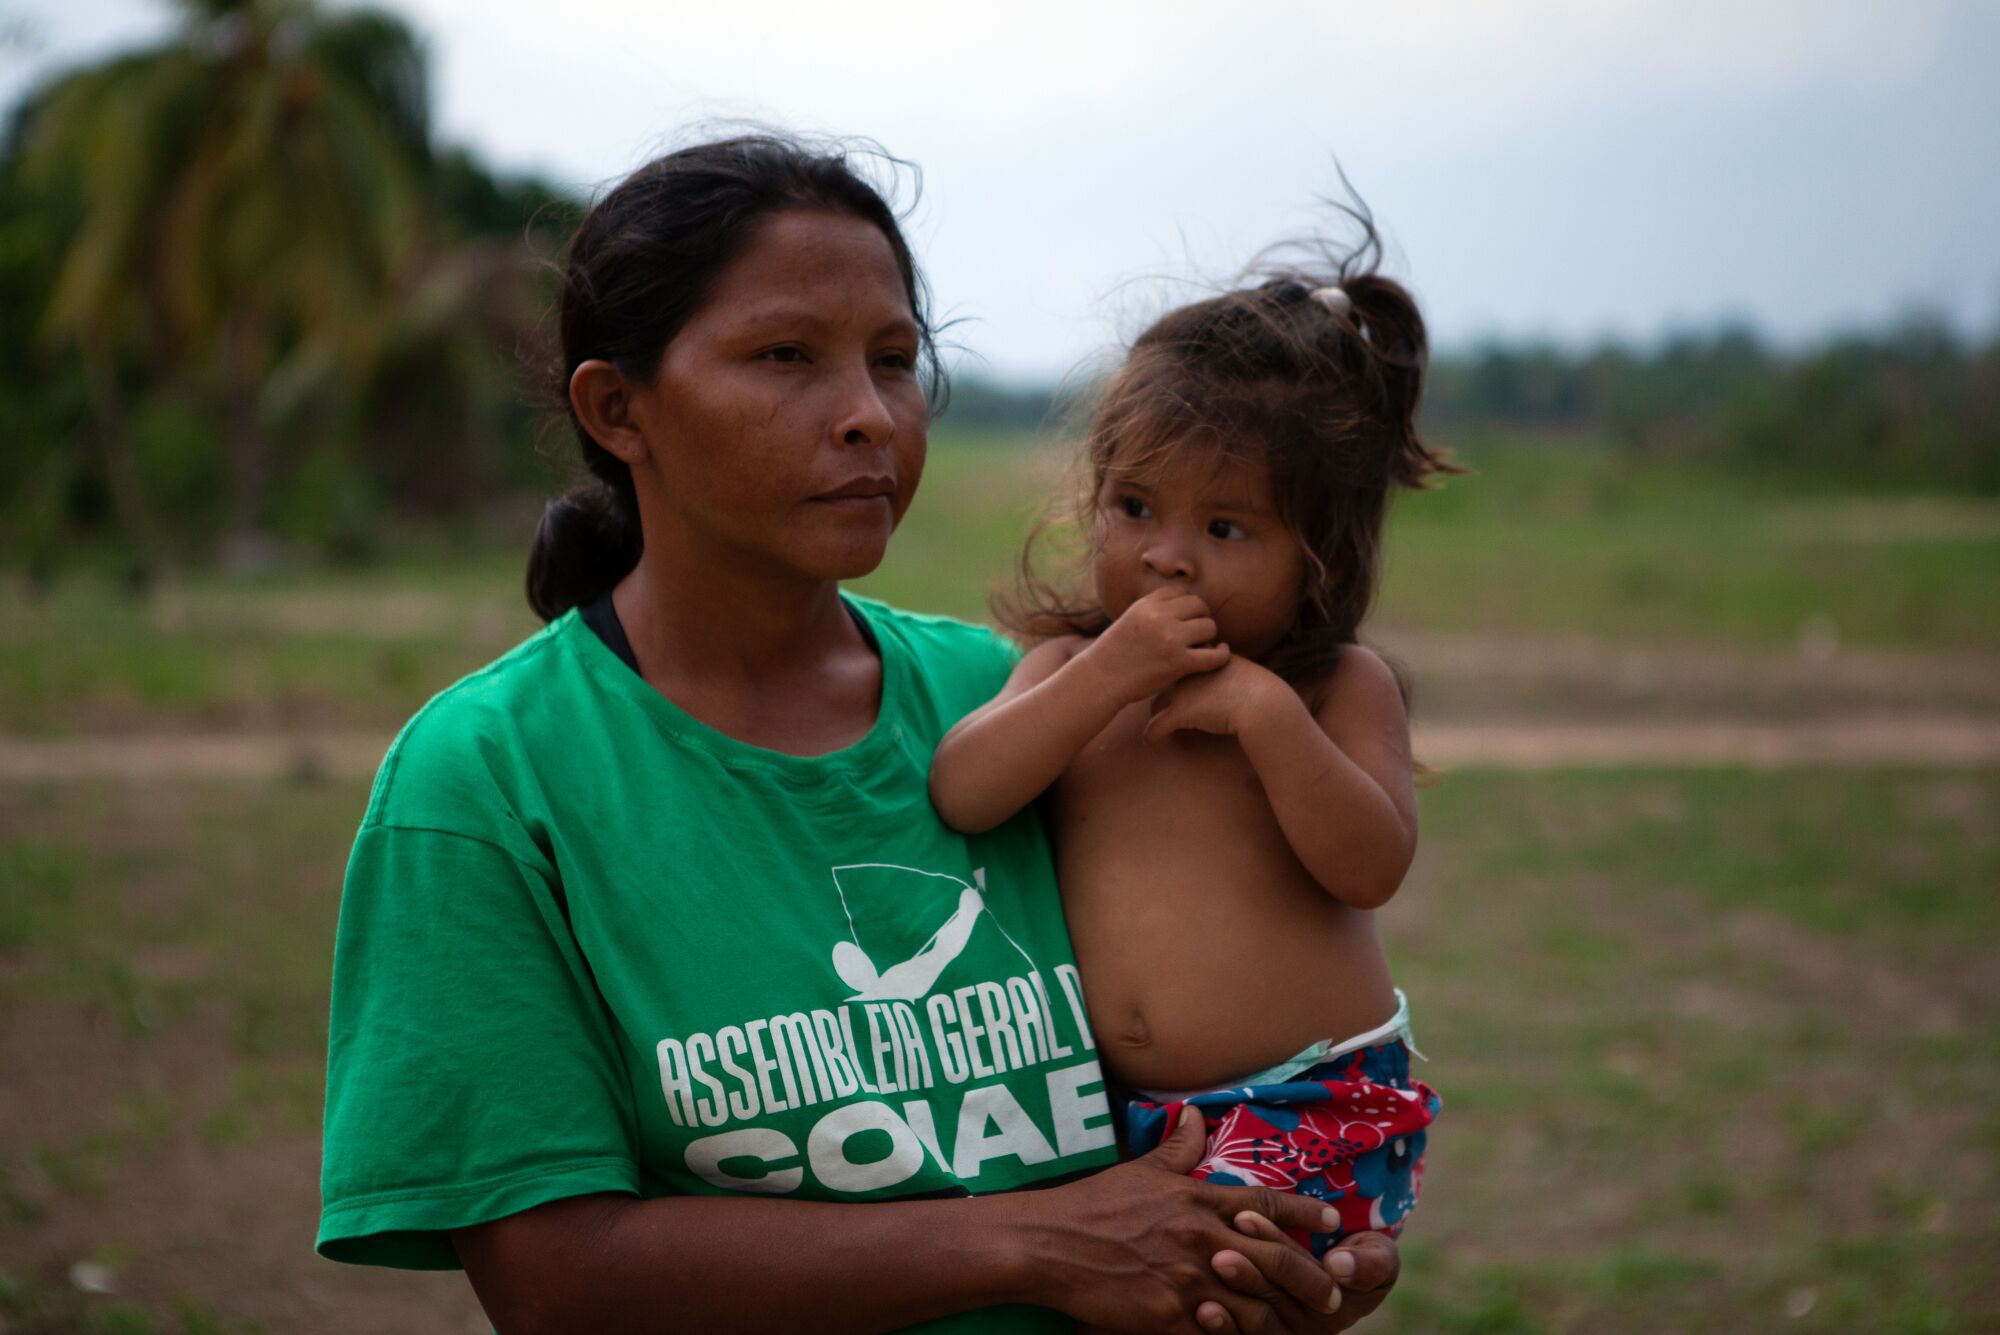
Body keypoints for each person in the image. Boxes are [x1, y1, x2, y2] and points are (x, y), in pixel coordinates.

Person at [317, 133, 1401, 1333]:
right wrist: (1034, 1246)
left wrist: (1281, 1256)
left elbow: (1219, 1042)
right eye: (785, 356)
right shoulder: (486, 782)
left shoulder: (1020, 703)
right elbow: (556, 1279)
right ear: (617, 408)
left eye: (894, 361)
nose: (867, 417)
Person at [929, 236, 1457, 1261]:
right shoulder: (1068, 672)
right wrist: (1102, 677)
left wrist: (1268, 722)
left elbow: (1369, 866)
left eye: (1224, 528)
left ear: (1318, 556)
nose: (1164, 554)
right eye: (1133, 509)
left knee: (1212, 1289)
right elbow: (963, 791)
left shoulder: (1335, 688)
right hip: (1110, 1117)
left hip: (1305, 1103)